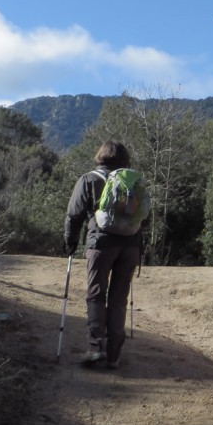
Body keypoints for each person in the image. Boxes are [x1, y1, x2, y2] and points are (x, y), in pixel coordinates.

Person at [64, 140, 144, 370]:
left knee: (96, 294)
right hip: (130, 246)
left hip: (100, 243)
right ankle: (113, 355)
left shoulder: (89, 179)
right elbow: (144, 218)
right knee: (119, 298)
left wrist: (70, 242)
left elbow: (74, 214)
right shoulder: (133, 183)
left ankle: (95, 347)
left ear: (100, 156)